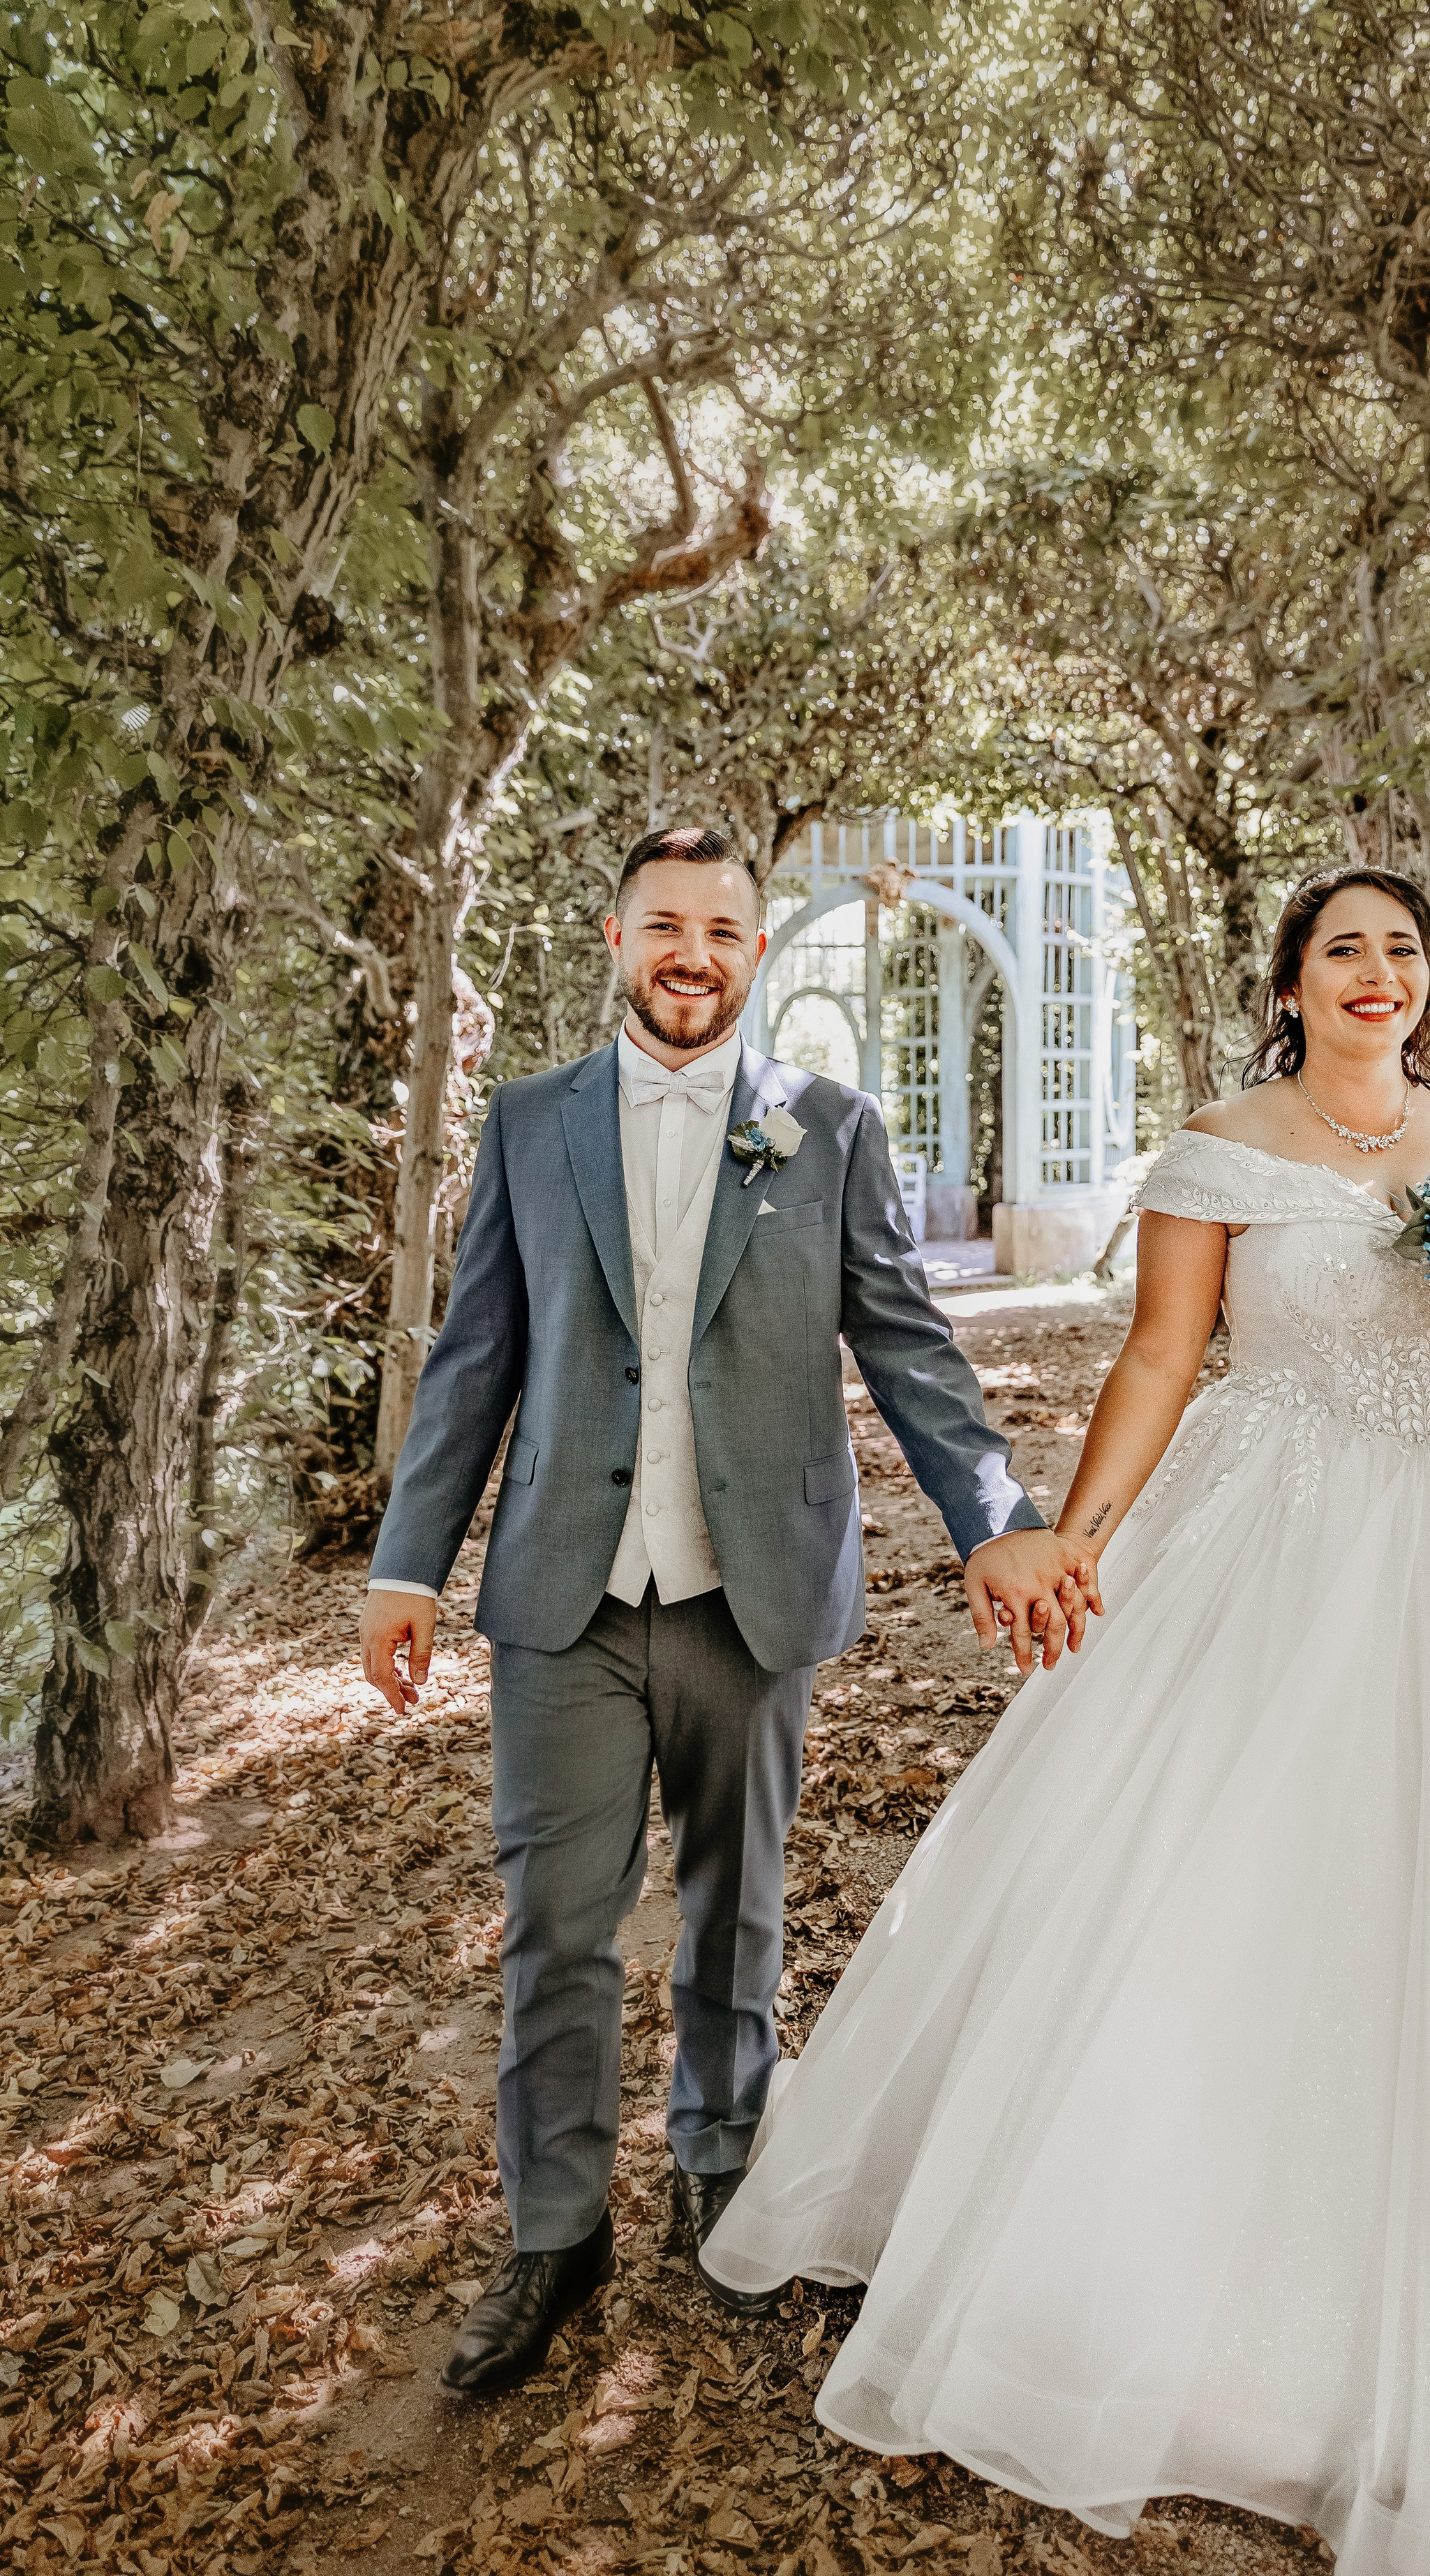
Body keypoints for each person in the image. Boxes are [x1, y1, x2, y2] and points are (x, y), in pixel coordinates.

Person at [701, 863, 1430, 2576]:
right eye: (1341, 949)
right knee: (1234, 1873)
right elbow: (1157, 1358)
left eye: (1401, 951)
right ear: (1288, 982)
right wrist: (1071, 1533)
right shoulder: (1221, 1145)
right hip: (1271, 1515)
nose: (1376, 974)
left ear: (1425, 985)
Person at [359, 824, 1095, 2392]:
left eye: (723, 931)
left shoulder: (828, 1128)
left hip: (749, 1590)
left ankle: (720, 2163)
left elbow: (906, 1350)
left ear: (756, 954)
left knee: (734, 1916)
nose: (693, 954)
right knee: (554, 1936)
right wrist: (407, 1564)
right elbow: (475, 1358)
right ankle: (553, 2234)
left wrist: (997, 1517)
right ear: (618, 940)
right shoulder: (527, 1123)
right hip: (564, 1593)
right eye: (664, 927)